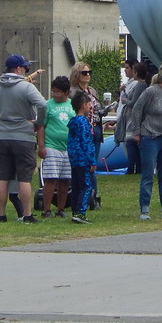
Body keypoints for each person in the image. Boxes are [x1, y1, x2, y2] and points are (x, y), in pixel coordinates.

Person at [0, 54, 47, 224]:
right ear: (18, 69)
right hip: (24, 136)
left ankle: (1, 215)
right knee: (24, 177)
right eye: (25, 68)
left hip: (2, 136)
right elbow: (42, 105)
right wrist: (38, 122)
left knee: (3, 177)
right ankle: (27, 214)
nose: (26, 71)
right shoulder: (26, 87)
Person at [128, 61, 162, 220]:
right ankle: (144, 209)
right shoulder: (151, 92)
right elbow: (137, 109)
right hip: (150, 136)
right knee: (148, 174)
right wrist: (136, 131)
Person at [37, 75, 73, 218]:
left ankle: (61, 209)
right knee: (51, 178)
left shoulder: (71, 105)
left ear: (66, 92)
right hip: (51, 146)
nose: (55, 94)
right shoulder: (48, 105)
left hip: (67, 147)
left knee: (64, 180)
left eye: (58, 92)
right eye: (53, 91)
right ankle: (46, 210)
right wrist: (41, 146)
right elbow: (41, 127)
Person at [70, 61, 103, 208]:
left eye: (89, 72)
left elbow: (97, 110)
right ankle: (86, 198)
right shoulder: (73, 92)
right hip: (82, 129)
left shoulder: (92, 91)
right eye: (84, 73)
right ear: (77, 75)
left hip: (94, 128)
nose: (88, 75)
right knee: (84, 167)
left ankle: (93, 196)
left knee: (92, 164)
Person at [67, 91, 97, 224]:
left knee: (76, 186)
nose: (90, 106)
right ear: (83, 105)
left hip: (74, 160)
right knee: (86, 186)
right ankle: (81, 212)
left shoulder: (73, 122)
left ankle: (75, 210)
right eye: (89, 103)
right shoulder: (84, 122)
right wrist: (92, 160)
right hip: (84, 160)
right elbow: (87, 143)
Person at [116, 60, 148, 175]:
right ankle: (136, 168)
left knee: (130, 143)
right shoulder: (139, 85)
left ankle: (132, 168)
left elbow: (134, 102)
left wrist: (125, 100)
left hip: (133, 120)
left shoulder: (139, 85)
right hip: (133, 119)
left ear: (136, 72)